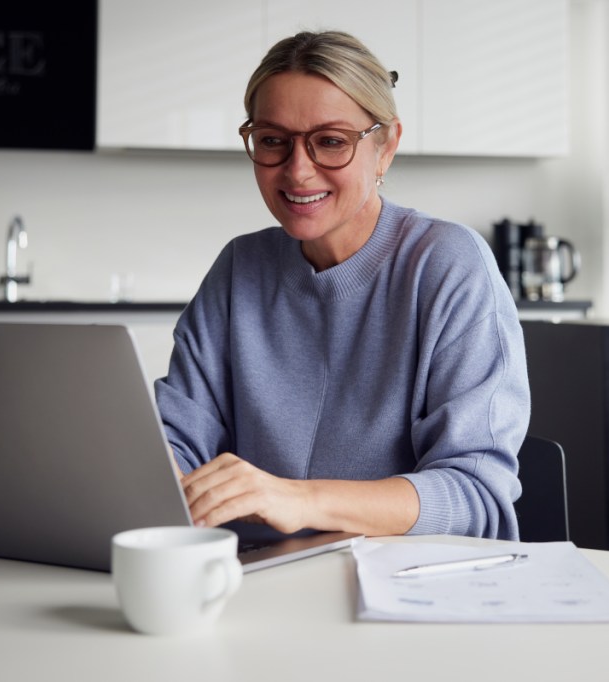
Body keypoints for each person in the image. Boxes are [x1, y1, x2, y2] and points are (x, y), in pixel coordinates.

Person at [154, 30, 530, 544]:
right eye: (272, 141)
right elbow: (175, 440)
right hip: (253, 584)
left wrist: (298, 499)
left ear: (386, 146)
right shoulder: (240, 268)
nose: (298, 170)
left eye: (330, 141)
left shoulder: (447, 265)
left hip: (404, 592)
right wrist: (160, 480)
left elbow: (474, 496)